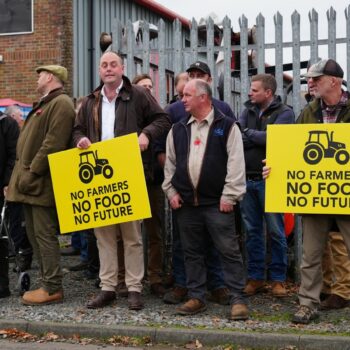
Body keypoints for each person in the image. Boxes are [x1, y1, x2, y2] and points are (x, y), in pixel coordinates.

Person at [72, 51, 171, 310]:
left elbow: (162, 119)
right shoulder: (90, 100)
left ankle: (134, 288)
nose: (108, 69)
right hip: (99, 173)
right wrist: (79, 140)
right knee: (103, 235)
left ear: (122, 68)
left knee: (132, 236)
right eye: (104, 65)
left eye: (113, 64)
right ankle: (108, 287)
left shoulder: (138, 94)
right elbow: (77, 129)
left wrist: (147, 134)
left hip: (129, 171)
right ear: (99, 70)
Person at [162, 79, 248, 319]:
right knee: (191, 252)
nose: (183, 99)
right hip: (186, 204)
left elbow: (236, 164)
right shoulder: (178, 129)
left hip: (218, 203)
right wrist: (171, 192)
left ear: (203, 97)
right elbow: (169, 165)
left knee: (228, 251)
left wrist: (230, 196)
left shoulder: (227, 126)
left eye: (187, 95)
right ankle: (197, 296)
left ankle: (237, 299)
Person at [6, 65, 76, 305]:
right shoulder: (48, 102)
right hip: (30, 182)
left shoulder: (61, 104)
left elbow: (53, 143)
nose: (37, 79)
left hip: (40, 181)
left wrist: (32, 170)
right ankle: (47, 282)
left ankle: (53, 286)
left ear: (50, 77)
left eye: (40, 75)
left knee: (44, 233)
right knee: (34, 232)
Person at [292, 58, 350, 323]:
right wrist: (277, 169)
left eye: (316, 78)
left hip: (346, 194)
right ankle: (307, 303)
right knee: (311, 254)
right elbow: (293, 147)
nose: (310, 83)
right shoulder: (308, 112)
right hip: (315, 195)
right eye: (309, 78)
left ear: (334, 81)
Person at [238, 74, 295, 297]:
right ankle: (256, 278)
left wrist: (250, 135)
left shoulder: (285, 113)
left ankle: (278, 280)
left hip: (272, 180)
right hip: (248, 179)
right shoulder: (247, 111)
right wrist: (259, 137)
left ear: (268, 93)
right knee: (252, 232)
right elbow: (237, 136)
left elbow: (276, 141)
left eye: (254, 90)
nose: (250, 93)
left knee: (276, 232)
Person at [3, 105, 33, 272]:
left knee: (17, 221)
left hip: (15, 183)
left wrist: (8, 182)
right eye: (18, 115)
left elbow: (14, 157)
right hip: (13, 181)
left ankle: (23, 253)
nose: (21, 118)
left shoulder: (14, 129)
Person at [0, 110, 19, 298]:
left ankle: (2, 284)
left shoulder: (7, 124)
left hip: (0, 188)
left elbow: (14, 156)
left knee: (0, 238)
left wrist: (7, 182)